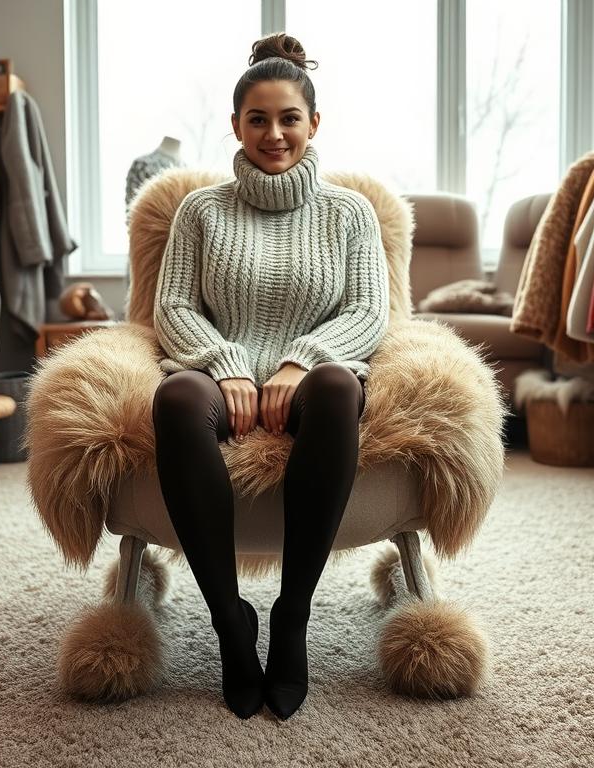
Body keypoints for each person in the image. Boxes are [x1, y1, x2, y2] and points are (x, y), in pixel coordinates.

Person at [151, 32, 390, 720]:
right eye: (258, 119)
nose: (275, 133)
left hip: (314, 377)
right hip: (217, 374)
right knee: (172, 401)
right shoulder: (200, 210)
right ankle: (232, 623)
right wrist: (226, 364)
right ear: (235, 126)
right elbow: (172, 307)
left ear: (315, 123)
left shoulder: (350, 212)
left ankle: (291, 617)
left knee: (342, 388)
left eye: (290, 118)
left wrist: (300, 360)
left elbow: (369, 312)